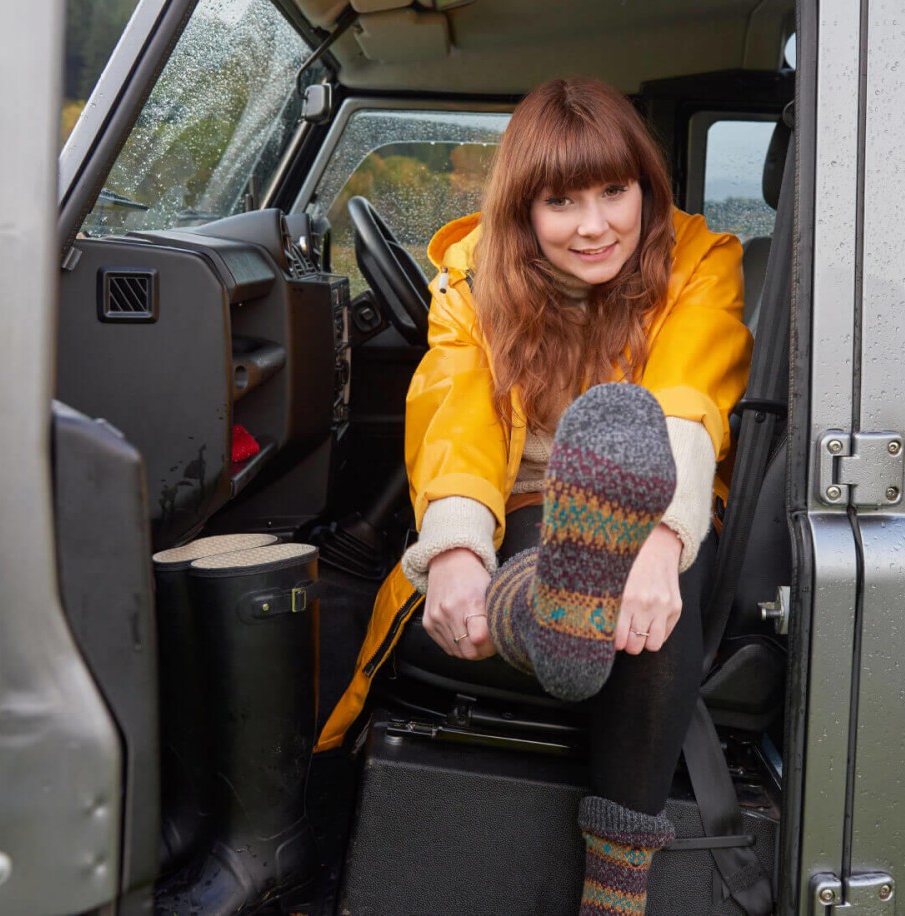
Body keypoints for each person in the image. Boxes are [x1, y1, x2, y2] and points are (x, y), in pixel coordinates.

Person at [316, 76, 751, 915]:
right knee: (569, 553)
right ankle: (613, 890)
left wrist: (661, 543)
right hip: (526, 503)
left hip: (667, 496)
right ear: (523, 207)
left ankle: (552, 609)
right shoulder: (474, 273)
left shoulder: (700, 261)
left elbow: (687, 405)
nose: (594, 226)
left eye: (613, 191)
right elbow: (458, 413)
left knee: (648, 599)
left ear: (645, 188)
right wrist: (451, 552)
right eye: (561, 201)